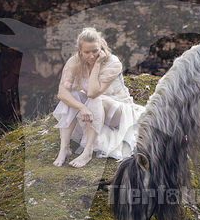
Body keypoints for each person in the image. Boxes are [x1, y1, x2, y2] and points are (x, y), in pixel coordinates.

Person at [52, 27, 145, 167]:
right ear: (80, 51)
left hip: (118, 112)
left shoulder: (113, 62)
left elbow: (92, 93)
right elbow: (62, 93)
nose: (91, 56)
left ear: (101, 47)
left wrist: (97, 65)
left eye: (95, 51)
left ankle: (87, 152)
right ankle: (64, 148)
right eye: (87, 52)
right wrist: (81, 106)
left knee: (95, 99)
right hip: (93, 111)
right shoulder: (74, 61)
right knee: (73, 96)